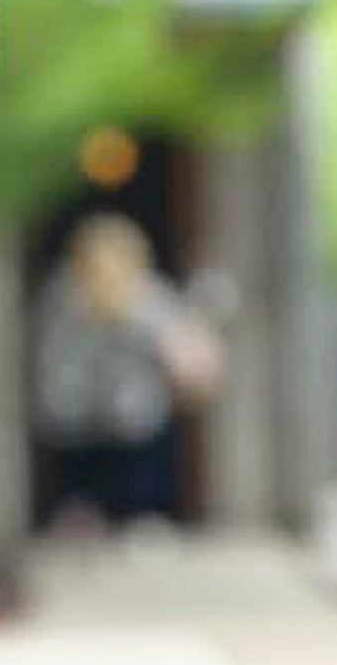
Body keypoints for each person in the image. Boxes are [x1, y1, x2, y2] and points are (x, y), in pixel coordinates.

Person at [34, 212, 222, 529]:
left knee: (140, 513)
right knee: (81, 514)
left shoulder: (149, 301)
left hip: (136, 430)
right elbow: (53, 370)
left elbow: (187, 356)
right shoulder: (64, 301)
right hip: (77, 431)